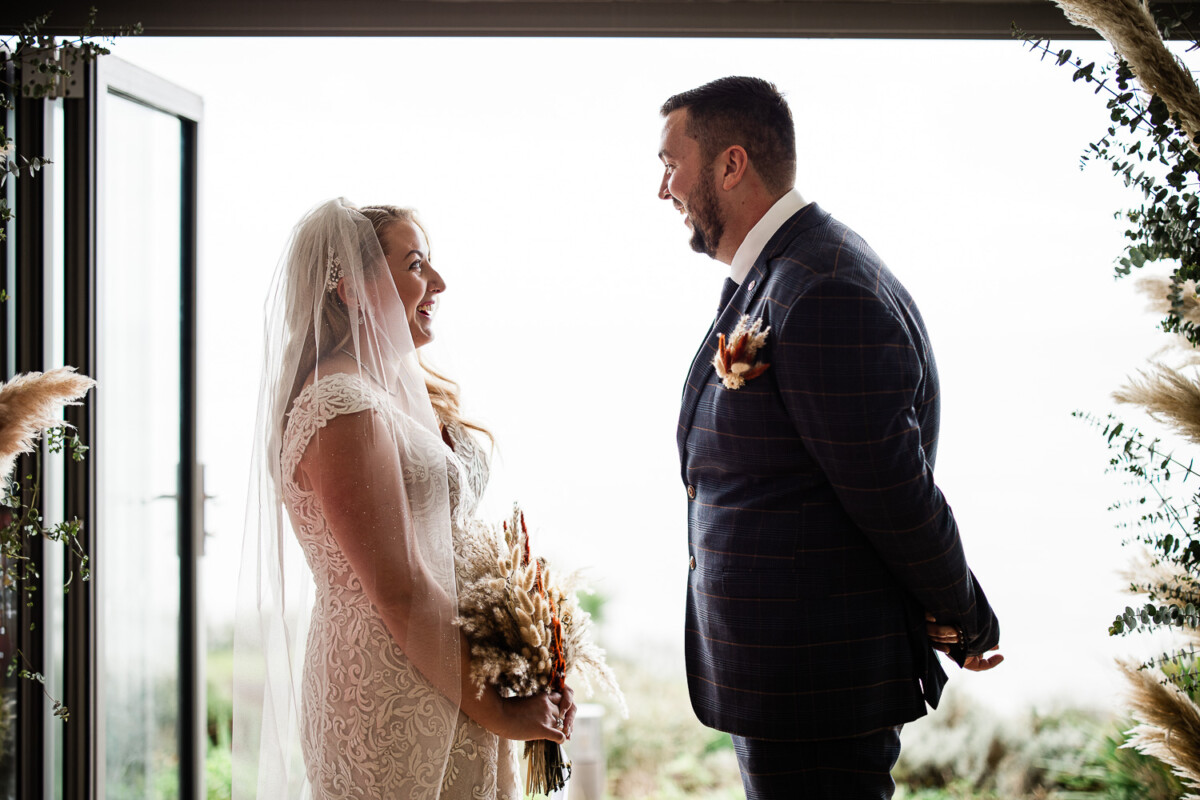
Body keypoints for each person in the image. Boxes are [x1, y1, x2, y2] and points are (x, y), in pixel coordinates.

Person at [658, 77, 1003, 798]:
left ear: (731, 163)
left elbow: (891, 489)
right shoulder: (780, 272)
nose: (664, 189)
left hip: (814, 682)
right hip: (786, 679)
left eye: (671, 164)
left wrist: (962, 613)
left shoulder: (824, 289)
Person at [233, 199, 575, 800]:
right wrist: (497, 710)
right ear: (350, 286)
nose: (438, 282)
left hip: (442, 662)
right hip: (390, 682)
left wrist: (519, 656)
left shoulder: (389, 384)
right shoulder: (342, 404)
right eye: (416, 264)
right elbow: (398, 585)